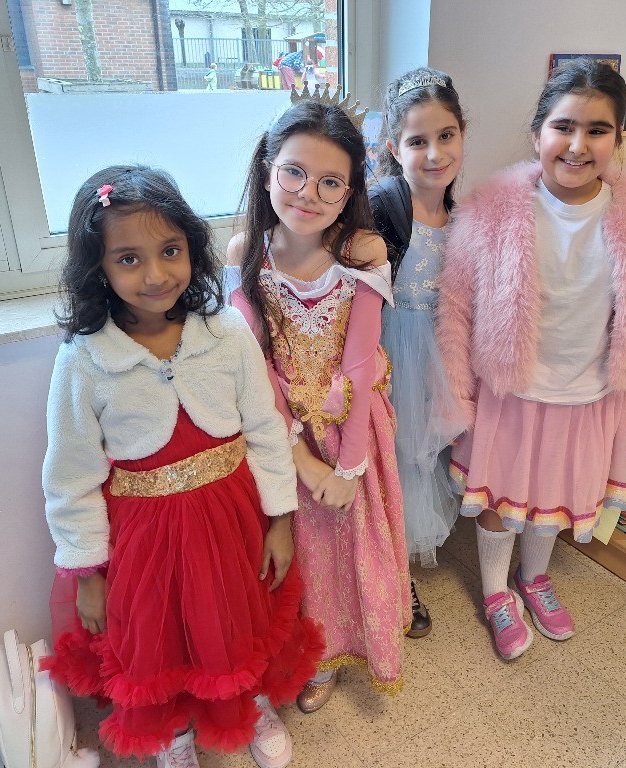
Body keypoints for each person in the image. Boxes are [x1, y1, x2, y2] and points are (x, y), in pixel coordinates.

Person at [41, 165, 324, 768]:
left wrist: (280, 520)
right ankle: (173, 734)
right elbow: (70, 477)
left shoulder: (227, 332)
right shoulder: (84, 360)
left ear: (192, 247)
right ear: (97, 267)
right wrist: (87, 572)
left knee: (238, 615)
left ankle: (250, 702)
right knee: (159, 632)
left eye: (170, 251)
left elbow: (265, 429)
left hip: (232, 519)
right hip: (145, 537)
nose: (155, 275)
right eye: (128, 259)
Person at [438, 60, 626, 661]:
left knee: (556, 493)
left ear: (617, 140)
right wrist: (459, 391)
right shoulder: (492, 210)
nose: (578, 146)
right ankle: (496, 591)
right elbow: (457, 306)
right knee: (499, 499)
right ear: (537, 134)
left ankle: (535, 577)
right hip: (511, 389)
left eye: (597, 130)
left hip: (591, 390)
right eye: (563, 127)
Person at [227, 97, 412, 713]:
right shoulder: (245, 254)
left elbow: (359, 363)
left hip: (353, 431)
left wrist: (348, 467)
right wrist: (301, 461)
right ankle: (314, 654)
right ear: (267, 171)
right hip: (279, 432)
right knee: (302, 550)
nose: (308, 193)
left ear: (350, 190)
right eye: (294, 172)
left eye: (330, 181)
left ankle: (353, 646)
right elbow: (255, 367)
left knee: (352, 540)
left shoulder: (363, 252)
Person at [369, 66, 470, 638]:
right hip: (391, 348)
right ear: (393, 148)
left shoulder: (460, 214)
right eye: (417, 141)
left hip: (437, 348)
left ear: (462, 134)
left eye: (446, 135)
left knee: (421, 459)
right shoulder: (386, 205)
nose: (435, 153)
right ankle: (392, 573)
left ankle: (400, 559)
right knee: (394, 458)